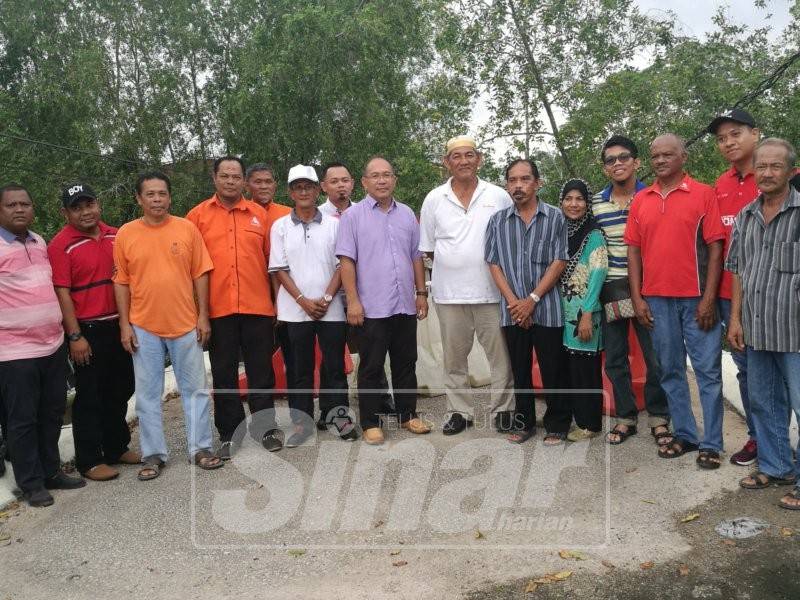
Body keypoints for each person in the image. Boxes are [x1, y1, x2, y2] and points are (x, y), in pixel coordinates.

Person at [624, 134, 726, 467]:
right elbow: (634, 251)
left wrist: (709, 298)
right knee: (668, 370)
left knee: (707, 372)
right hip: (656, 300)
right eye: (655, 155)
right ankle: (686, 435)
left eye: (668, 154)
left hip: (696, 299)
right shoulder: (642, 199)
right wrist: (637, 298)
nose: (661, 160)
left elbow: (715, 249)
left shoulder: (704, 194)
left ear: (683, 157)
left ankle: (711, 442)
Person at [113, 171, 222, 480]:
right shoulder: (126, 234)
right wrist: (125, 325)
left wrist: (203, 315)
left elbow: (201, 273)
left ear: (170, 197)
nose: (157, 199)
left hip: (186, 323)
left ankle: (200, 448)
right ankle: (153, 455)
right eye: (150, 194)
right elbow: (121, 282)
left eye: (162, 193)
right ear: (139, 198)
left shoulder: (186, 229)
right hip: (143, 326)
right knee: (147, 395)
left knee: (196, 390)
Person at [187, 156, 283, 458]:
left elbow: (273, 264)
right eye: (224, 176)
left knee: (261, 373)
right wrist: (198, 312)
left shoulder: (259, 215)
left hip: (258, 308)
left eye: (236, 176)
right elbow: (191, 268)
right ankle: (230, 433)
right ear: (215, 179)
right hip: (218, 310)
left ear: (244, 181)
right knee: (224, 374)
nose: (230, 181)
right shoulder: (197, 217)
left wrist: (278, 303)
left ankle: (266, 429)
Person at [419, 135, 515, 435]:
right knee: (454, 360)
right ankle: (459, 412)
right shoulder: (434, 199)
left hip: (492, 292)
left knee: (500, 358)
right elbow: (429, 248)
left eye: (469, 155)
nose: (463, 161)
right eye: (456, 156)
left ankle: (503, 410)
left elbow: (510, 240)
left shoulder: (498, 195)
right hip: (449, 295)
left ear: (480, 159)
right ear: (447, 163)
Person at [335, 156, 431, 445]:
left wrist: (421, 293)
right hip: (372, 306)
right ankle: (370, 422)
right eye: (375, 176)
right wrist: (353, 300)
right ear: (364, 182)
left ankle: (407, 415)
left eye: (387, 175)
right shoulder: (352, 217)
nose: (381, 180)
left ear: (394, 180)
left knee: (406, 362)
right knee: (372, 366)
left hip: (404, 303)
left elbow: (416, 256)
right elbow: (346, 261)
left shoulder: (406, 214)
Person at [726, 138, 800, 511]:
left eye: (776, 166)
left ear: (792, 171)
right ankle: (776, 466)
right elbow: (737, 270)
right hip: (756, 329)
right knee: (765, 402)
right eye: (763, 167)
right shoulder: (745, 216)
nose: (768, 173)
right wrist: (735, 318)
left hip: (795, 332)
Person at [0, 184, 85, 507]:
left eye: (25, 203)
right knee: (22, 419)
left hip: (51, 345)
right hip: (13, 351)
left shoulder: (38, 242)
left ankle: (51, 472)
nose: (19, 209)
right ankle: (31, 482)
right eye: (11, 205)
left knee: (51, 411)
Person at [48, 183, 139, 482]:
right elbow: (62, 293)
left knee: (121, 389)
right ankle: (90, 459)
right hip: (88, 330)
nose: (85, 211)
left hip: (121, 324)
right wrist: (75, 336)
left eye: (89, 204)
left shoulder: (118, 234)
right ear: (66, 212)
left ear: (98, 204)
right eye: (77, 207)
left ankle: (116, 447)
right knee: (89, 396)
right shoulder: (60, 245)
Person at [592, 136, 671, 446]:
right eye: (610, 160)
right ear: (605, 168)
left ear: (637, 162)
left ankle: (659, 416)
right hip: (611, 287)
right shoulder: (597, 203)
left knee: (656, 357)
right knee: (615, 357)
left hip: (649, 287)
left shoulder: (653, 197)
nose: (617, 163)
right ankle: (626, 416)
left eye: (624, 157)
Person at [269, 165, 356, 445]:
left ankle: (339, 419)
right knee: (298, 370)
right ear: (290, 192)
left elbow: (342, 264)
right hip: (295, 311)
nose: (303, 191)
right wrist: (302, 301)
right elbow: (279, 269)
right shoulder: (280, 226)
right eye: (297, 187)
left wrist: (327, 298)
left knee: (334, 367)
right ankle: (301, 425)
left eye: (308, 186)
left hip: (330, 309)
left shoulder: (334, 224)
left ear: (317, 189)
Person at [485, 159, 569, 445]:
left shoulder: (555, 217)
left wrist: (532, 299)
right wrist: (515, 303)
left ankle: (557, 424)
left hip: (547, 307)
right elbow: (493, 263)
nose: (518, 186)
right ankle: (525, 423)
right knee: (519, 369)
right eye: (512, 180)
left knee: (552, 368)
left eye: (524, 179)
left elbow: (559, 260)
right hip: (512, 311)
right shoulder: (497, 221)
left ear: (537, 182)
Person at [707, 109, 760, 466]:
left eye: (735, 134)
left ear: (756, 133)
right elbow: (718, 245)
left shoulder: (784, 177)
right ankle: (759, 437)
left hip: (776, 297)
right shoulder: (721, 186)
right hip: (730, 297)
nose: (729, 142)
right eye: (722, 138)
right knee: (746, 369)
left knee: (785, 372)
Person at [557, 179, 608, 441]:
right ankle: (574, 418)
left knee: (585, 370)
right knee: (568, 368)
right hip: (561, 311)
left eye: (579, 199)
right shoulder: (559, 231)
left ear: (587, 204)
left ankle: (589, 424)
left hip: (583, 314)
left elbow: (599, 273)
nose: (573, 204)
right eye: (568, 198)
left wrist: (588, 312)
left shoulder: (594, 233)